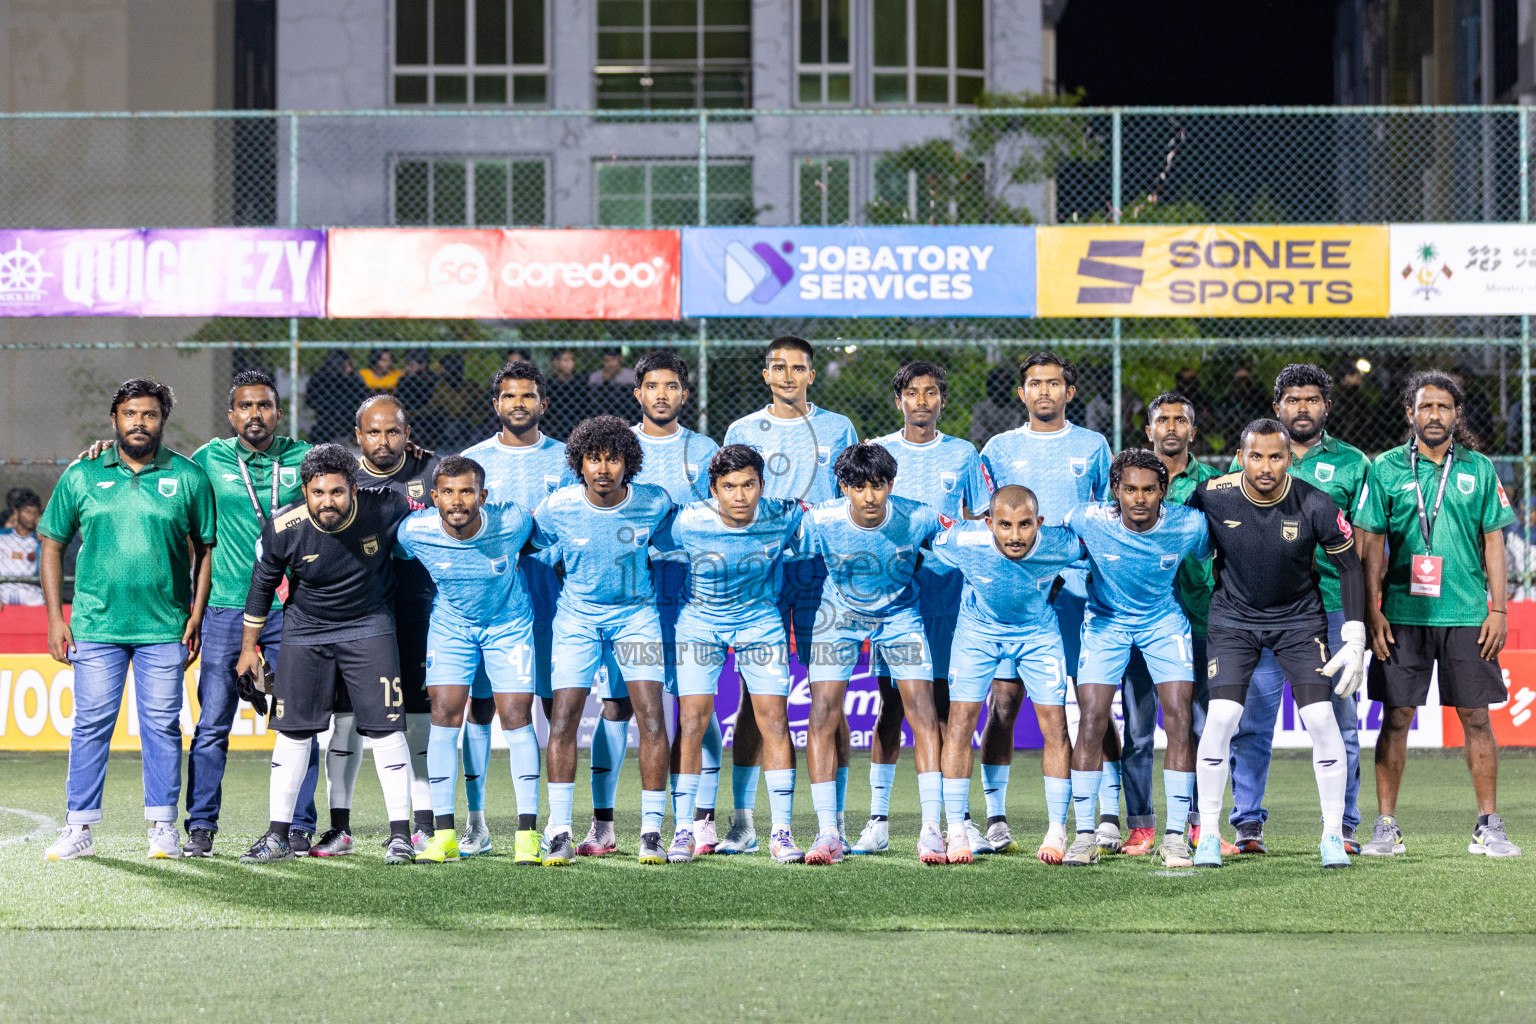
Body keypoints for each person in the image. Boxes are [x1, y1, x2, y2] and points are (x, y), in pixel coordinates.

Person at [40, 379, 217, 861]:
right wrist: (56, 618)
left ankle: (162, 828)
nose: (140, 422)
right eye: (130, 414)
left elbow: (205, 551)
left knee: (162, 726)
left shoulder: (188, 477)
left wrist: (197, 613)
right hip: (96, 625)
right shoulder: (82, 474)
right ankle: (79, 827)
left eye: (150, 414)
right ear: (114, 419)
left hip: (164, 627)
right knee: (91, 725)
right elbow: (52, 544)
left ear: (163, 420)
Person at [1186, 419, 1367, 869]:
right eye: (1256, 456)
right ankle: (1208, 835)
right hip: (1234, 620)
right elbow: (1178, 537)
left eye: (1275, 457)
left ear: (1289, 458)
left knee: (1321, 719)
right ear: (1240, 457)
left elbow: (1350, 567)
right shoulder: (1211, 494)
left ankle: (1332, 835)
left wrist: (1355, 635)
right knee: (1222, 717)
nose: (1265, 467)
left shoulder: (1316, 503)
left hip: (1299, 621)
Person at [1355, 371, 1522, 858]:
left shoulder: (1480, 468)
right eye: (1425, 407)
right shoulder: (1386, 468)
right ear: (1410, 413)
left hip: (1467, 613)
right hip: (1402, 614)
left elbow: (1495, 542)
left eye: (1443, 407)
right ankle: (1386, 825)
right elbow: (1371, 544)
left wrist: (1498, 608)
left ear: (1456, 414)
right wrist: (1372, 610)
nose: (1434, 415)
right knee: (1396, 716)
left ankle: (1488, 825)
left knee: (1477, 717)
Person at [237, 443, 417, 864]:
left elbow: (435, 505)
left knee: (386, 730)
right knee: (293, 732)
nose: (327, 502)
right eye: (318, 493)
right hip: (305, 630)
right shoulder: (284, 526)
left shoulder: (387, 506)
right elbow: (262, 585)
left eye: (337, 492)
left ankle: (401, 836)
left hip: (369, 625)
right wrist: (249, 649)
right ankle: (277, 837)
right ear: (305, 490)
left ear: (354, 488)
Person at [1225, 365, 1372, 855]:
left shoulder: (1353, 464)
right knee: (1253, 721)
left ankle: (1343, 825)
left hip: (1333, 608)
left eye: (1311, 399)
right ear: (1277, 407)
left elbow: (1364, 545)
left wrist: (1363, 618)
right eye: (1292, 399)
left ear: (1327, 406)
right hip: (1265, 610)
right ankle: (1248, 822)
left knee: (1339, 720)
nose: (1302, 408)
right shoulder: (1252, 459)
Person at [720, 336, 858, 855]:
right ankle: (743, 823)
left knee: (829, 699)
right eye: (778, 368)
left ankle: (833, 823)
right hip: (764, 574)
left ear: (811, 375)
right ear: (766, 375)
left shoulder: (838, 428)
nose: (787, 376)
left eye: (797, 368)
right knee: (754, 699)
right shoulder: (741, 430)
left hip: (823, 573)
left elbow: (851, 497)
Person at [977, 352, 1113, 855]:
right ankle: (996, 818)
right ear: (1022, 393)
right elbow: (984, 518)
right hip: (1015, 593)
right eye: (1035, 384)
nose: (1044, 392)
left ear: (1069, 392)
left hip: (1076, 592)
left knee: (1092, 702)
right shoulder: (998, 448)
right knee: (1004, 703)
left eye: (1054, 384)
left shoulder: (1093, 445)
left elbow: (1107, 516)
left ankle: (1107, 815)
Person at [529, 415, 676, 866]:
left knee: (651, 718)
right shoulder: (557, 506)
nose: (604, 468)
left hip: (636, 618)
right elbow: (528, 543)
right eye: (594, 459)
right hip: (576, 619)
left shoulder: (654, 502)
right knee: (562, 721)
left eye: (613, 459)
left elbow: (678, 538)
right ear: (579, 463)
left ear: (628, 463)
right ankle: (559, 831)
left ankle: (651, 832)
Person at [650, 445, 807, 863]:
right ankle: (684, 831)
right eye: (729, 486)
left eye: (749, 485)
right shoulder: (687, 522)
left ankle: (781, 833)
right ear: (713, 489)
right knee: (691, 720)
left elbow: (825, 518)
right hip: (700, 624)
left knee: (774, 720)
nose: (740, 496)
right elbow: (643, 536)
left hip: (760, 622)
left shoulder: (783, 515)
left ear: (762, 485)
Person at [185, 371, 320, 856]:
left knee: (297, 721)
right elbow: (164, 478)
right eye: (245, 406)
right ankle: (201, 826)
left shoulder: (305, 458)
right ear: (231, 414)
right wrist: (103, 450)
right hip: (226, 607)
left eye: (264, 405)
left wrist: (414, 458)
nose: (254, 414)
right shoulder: (208, 459)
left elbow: (357, 479)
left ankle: (299, 825)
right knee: (212, 724)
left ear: (278, 413)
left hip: (291, 608)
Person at [794, 442, 948, 866]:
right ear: (843, 487)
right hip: (838, 615)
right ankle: (828, 832)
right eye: (859, 487)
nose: (869, 496)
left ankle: (931, 829)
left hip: (899, 616)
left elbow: (965, 540)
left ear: (891, 485)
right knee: (822, 711)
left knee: (922, 709)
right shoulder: (821, 520)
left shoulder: (918, 516)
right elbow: (780, 541)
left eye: (878, 485)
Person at [859, 361, 990, 857]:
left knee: (949, 708)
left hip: (949, 596)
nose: (921, 401)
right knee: (892, 706)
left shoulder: (963, 453)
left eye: (931, 392)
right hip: (894, 599)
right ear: (899, 401)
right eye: (912, 393)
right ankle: (878, 821)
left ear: (942, 400)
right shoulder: (878, 451)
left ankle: (958, 820)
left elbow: (981, 519)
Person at [594, 350, 722, 856]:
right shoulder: (617, 447)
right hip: (630, 591)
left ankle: (702, 818)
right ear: (638, 393)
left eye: (671, 386)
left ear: (684, 395)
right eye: (652, 385)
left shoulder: (706, 448)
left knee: (694, 702)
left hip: (690, 588)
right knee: (617, 702)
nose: (661, 394)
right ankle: (602, 824)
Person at [1058, 449, 1210, 868]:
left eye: (1148, 490)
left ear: (1163, 491)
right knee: (1092, 718)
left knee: (1179, 717)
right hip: (1106, 622)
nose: (1139, 498)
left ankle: (1175, 837)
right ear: (1115, 491)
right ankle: (1084, 836)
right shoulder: (1086, 519)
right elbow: (1051, 542)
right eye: (1129, 489)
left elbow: (1207, 558)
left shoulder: (1189, 524)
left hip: (1163, 621)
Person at [395, 456, 545, 865]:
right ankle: (444, 836)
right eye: (448, 492)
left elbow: (542, 538)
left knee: (516, 716)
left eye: (466, 491)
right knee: (444, 715)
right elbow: (395, 559)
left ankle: (527, 836)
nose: (457, 500)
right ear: (434, 497)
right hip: (452, 627)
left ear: (483, 495)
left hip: (508, 624)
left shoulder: (512, 522)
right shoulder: (415, 531)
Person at [309, 396, 436, 857]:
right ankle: (339, 829)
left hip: (418, 611)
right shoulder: (342, 480)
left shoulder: (431, 472)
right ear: (358, 435)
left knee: (417, 720)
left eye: (393, 431)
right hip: (357, 617)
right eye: (374, 432)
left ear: (408, 433)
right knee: (344, 722)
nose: (384, 441)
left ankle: (424, 826)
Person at [927, 486, 1081, 864]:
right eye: (1005, 525)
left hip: (1037, 634)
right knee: (961, 722)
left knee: (1056, 726)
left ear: (1039, 523)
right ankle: (957, 831)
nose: (1015, 535)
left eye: (1025, 525)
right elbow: (924, 536)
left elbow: (1099, 548)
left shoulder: (1061, 544)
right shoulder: (963, 540)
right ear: (988, 523)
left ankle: (1057, 831)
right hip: (977, 633)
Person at [460, 361, 576, 856]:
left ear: (543, 403)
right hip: (491, 607)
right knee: (481, 707)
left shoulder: (567, 460)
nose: (518, 404)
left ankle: (555, 823)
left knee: (554, 708)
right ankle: (477, 822)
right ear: (496, 405)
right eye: (509, 396)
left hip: (550, 602)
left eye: (528, 396)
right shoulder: (472, 460)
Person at [1116, 392, 1221, 857]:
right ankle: (1140, 826)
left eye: (1181, 420)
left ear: (1193, 431)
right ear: (1150, 430)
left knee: (1198, 725)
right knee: (1139, 731)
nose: (1172, 427)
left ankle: (1198, 824)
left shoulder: (1216, 484)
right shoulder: (1130, 480)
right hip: (1140, 620)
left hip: (1199, 619)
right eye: (1163, 420)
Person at [308, 350, 365, 445]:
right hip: (329, 421)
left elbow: (362, 398)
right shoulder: (320, 380)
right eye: (346, 365)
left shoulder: (352, 379)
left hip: (347, 420)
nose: (349, 368)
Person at [0, 487, 44, 605]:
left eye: (35, 513)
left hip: (32, 600)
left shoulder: (39, 541)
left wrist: (43, 541)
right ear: (16, 513)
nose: (31, 517)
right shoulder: (3, 537)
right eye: (27, 511)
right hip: (4, 597)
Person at [968, 364, 1026, 450]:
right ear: (991, 384)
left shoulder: (1017, 409)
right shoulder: (981, 408)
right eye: (1000, 382)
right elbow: (981, 439)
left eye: (1007, 381)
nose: (1003, 386)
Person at [545, 348, 591, 440]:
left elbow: (586, 407)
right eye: (566, 360)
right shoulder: (549, 384)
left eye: (572, 359)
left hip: (577, 422)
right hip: (556, 426)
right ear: (556, 363)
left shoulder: (580, 382)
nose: (571, 363)